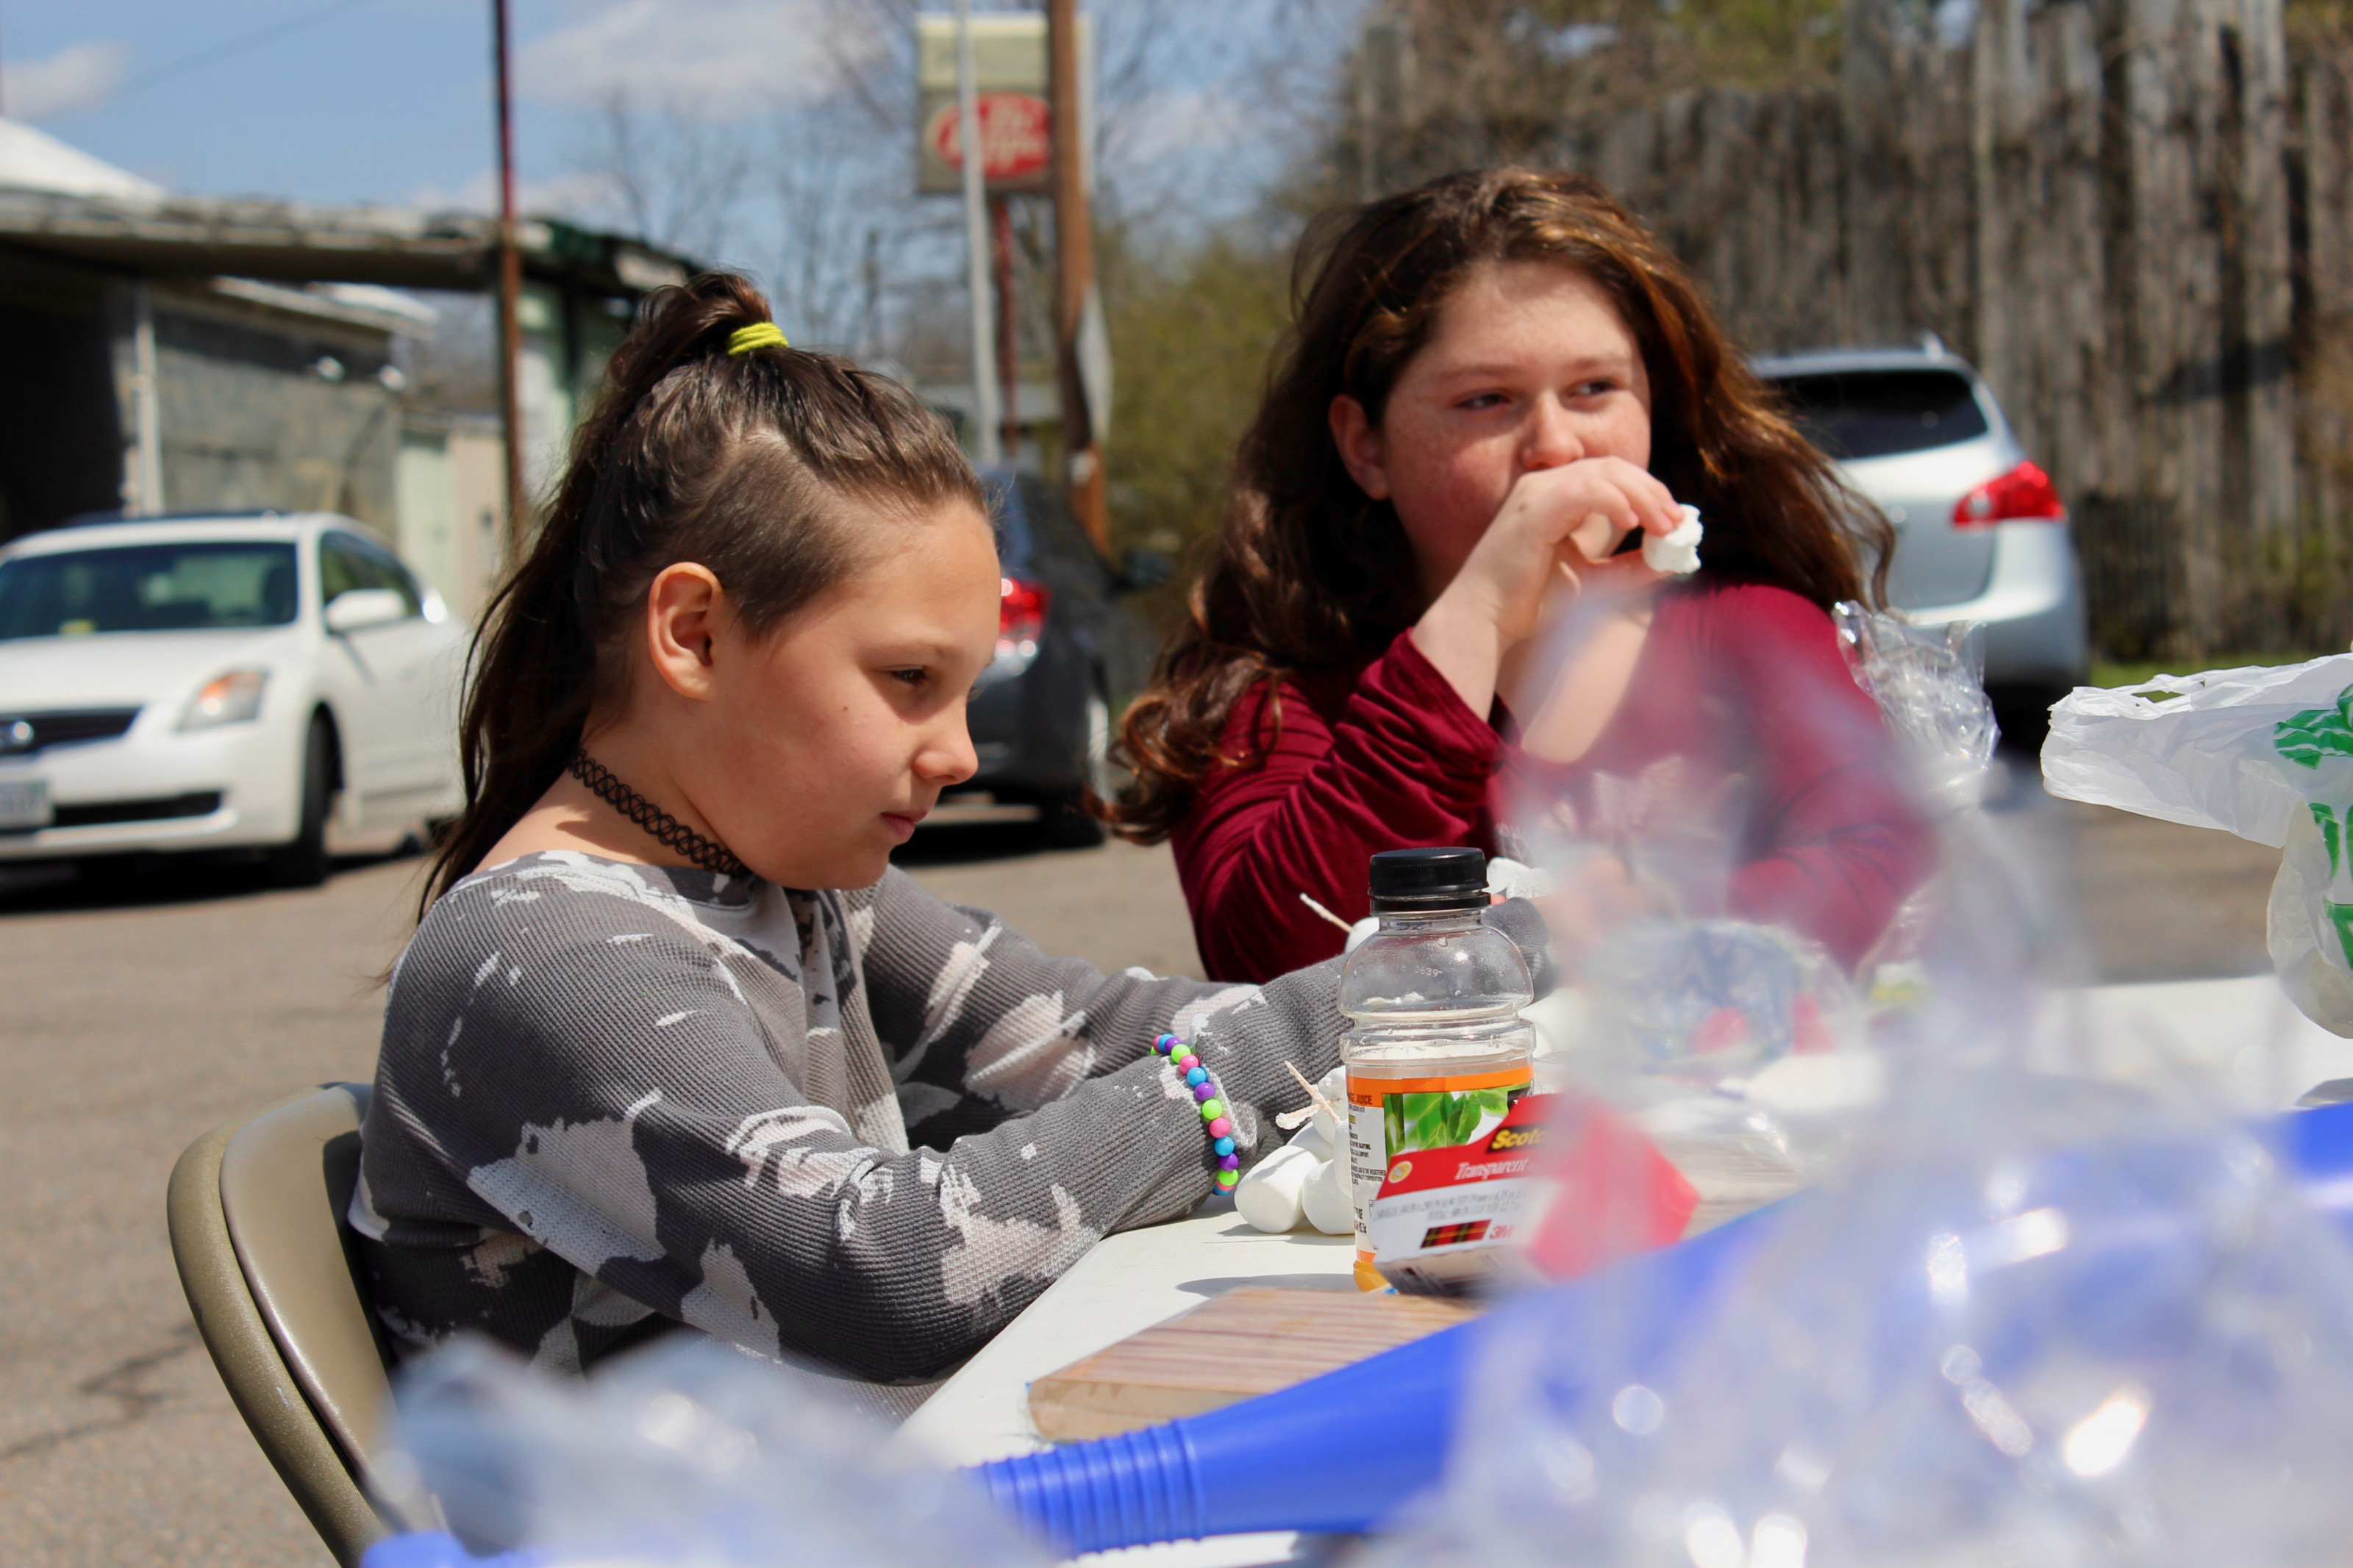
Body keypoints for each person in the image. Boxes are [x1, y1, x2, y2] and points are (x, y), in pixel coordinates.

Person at [351, 274, 1504, 1384]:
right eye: (909, 678)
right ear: (695, 633)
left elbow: (1087, 1036)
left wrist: (1466, 971)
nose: (956, 752)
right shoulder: (542, 957)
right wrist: (1277, 1052)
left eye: (964, 690)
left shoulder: (777, 877)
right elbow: (888, 1268)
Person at [1108, 168, 1933, 983]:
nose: (1555, 447)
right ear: (1365, 446)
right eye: (1484, 401)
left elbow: (1884, 869)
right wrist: (1471, 625)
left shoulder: (1750, 629)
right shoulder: (1275, 697)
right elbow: (1275, 965)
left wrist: (1582, 930)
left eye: (1594, 389)